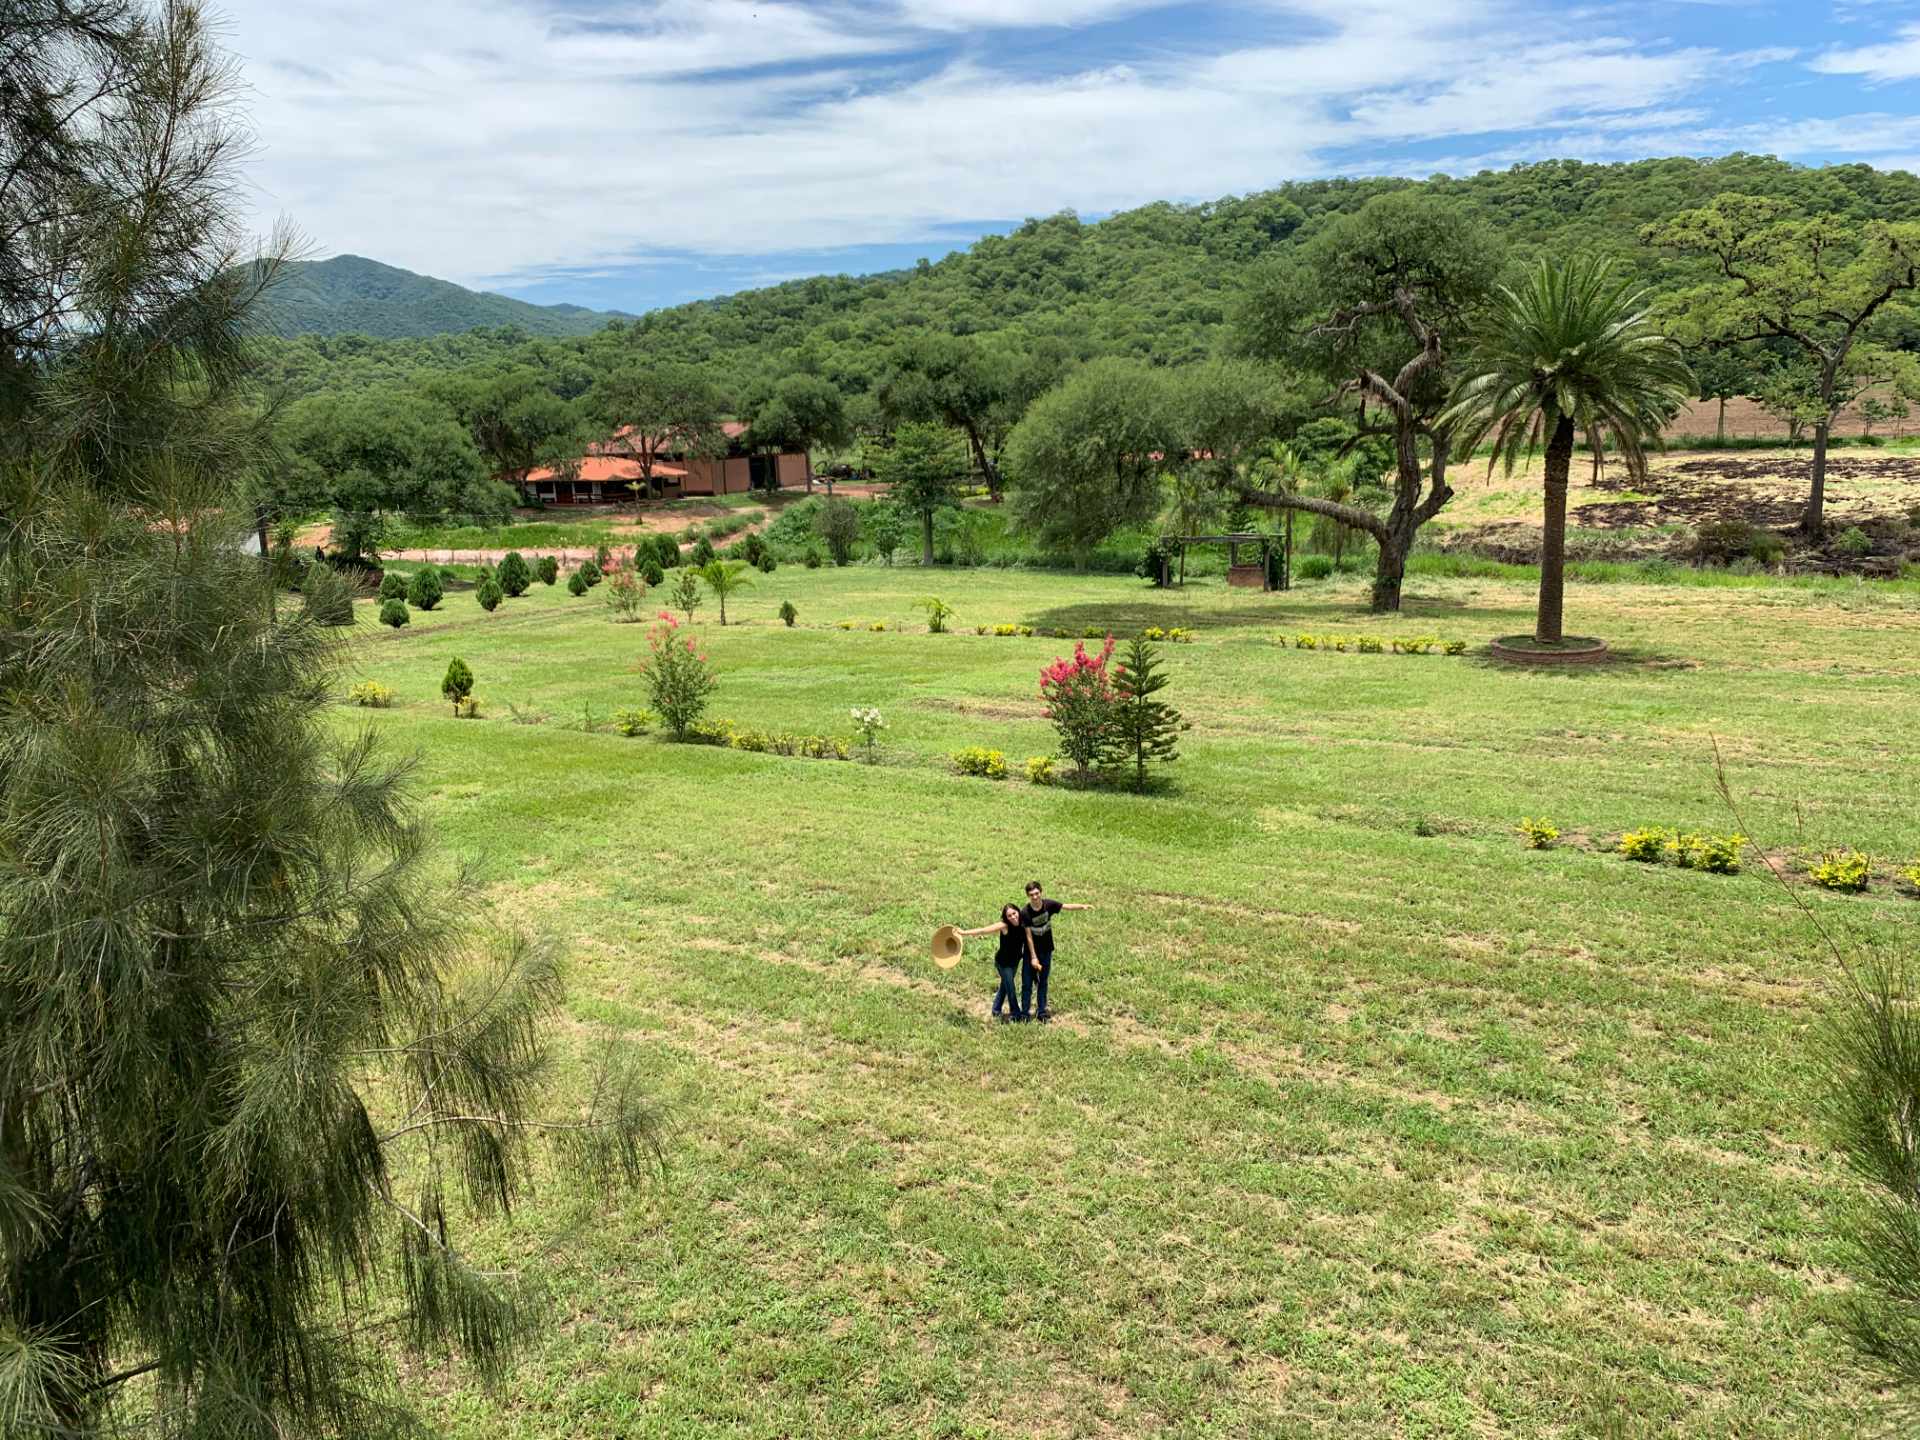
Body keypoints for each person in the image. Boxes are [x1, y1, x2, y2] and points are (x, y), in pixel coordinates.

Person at [1020, 880, 1092, 1023]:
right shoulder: (1025, 912)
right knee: (1026, 984)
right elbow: (1028, 937)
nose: (1034, 897)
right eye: (1031, 895)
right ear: (1028, 896)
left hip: (1047, 950)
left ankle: (1041, 1012)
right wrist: (1033, 957)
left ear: (1041, 892)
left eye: (1036, 893)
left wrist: (1082, 906)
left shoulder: (1049, 905)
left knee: (1043, 982)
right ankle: (1025, 1013)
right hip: (1031, 954)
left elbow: (1066, 906)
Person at [953, 904, 1037, 1022]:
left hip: (1014, 962)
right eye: (1009, 915)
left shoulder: (1024, 923)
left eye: (1014, 913)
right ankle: (1016, 1013)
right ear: (1006, 917)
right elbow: (983, 930)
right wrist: (963, 932)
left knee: (1005, 987)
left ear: (1018, 912)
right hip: (1003, 963)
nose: (1013, 917)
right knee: (1010, 988)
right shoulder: (1004, 926)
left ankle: (996, 1009)